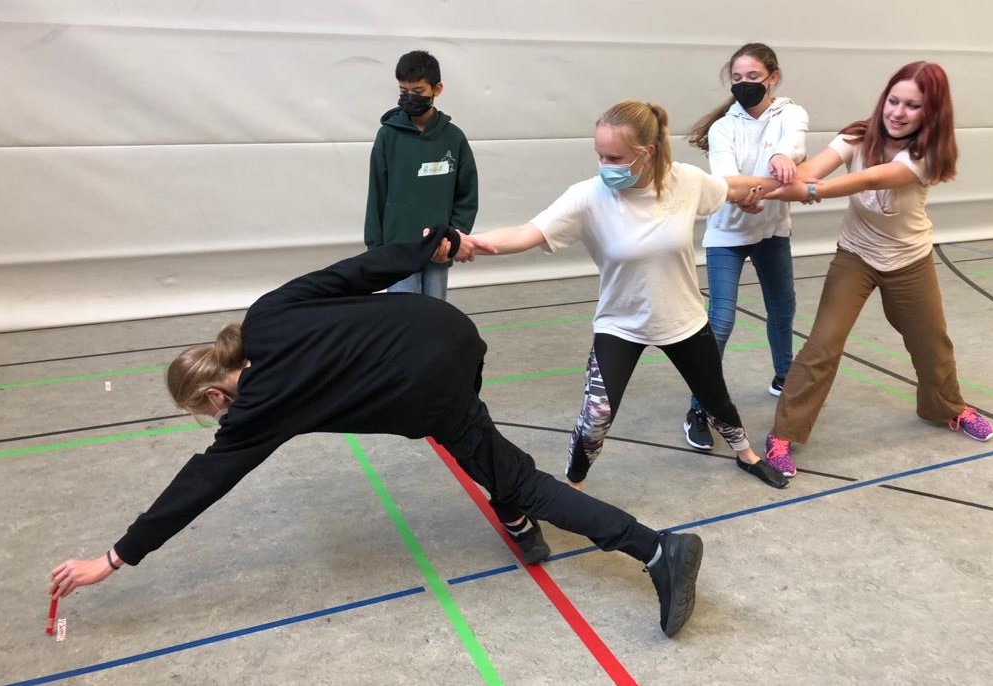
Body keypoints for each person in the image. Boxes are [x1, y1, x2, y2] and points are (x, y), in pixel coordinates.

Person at [49, 227, 704, 639]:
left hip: (427, 386)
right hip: (447, 329)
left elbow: (201, 482)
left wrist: (115, 557)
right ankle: (513, 515)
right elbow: (357, 272)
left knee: (517, 477)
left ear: (215, 395)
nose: (220, 422)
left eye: (211, 412)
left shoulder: (257, 410)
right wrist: (430, 245)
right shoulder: (266, 315)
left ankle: (657, 550)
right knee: (486, 452)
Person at [455, 100, 790, 490]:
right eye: (599, 155)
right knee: (596, 416)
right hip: (620, 323)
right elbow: (525, 233)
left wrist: (774, 188)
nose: (604, 165)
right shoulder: (587, 197)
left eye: (614, 157)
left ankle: (746, 455)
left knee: (715, 399)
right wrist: (472, 243)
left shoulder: (685, 181)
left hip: (683, 320)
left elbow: (730, 187)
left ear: (646, 153)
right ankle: (574, 486)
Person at [761, 61, 993, 478]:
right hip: (856, 255)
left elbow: (869, 180)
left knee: (931, 344)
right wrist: (778, 178)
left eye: (912, 106)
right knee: (822, 345)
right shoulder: (857, 136)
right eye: (893, 100)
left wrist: (808, 191)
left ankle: (948, 407)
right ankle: (783, 433)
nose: (898, 112)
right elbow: (812, 170)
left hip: (909, 260)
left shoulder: (926, 155)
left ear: (931, 113)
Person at [683, 43, 808, 451]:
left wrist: (781, 157)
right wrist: (756, 191)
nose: (744, 84)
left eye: (753, 77)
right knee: (719, 320)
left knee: (783, 309)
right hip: (728, 233)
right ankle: (699, 406)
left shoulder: (791, 114)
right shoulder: (724, 127)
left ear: (773, 78)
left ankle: (784, 377)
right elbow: (726, 178)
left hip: (772, 230)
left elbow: (794, 147)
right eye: (737, 78)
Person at [363, 50, 478, 299]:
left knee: (434, 312)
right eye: (403, 91)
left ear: (437, 89)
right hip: (397, 250)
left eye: (418, 91)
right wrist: (375, 247)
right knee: (403, 315)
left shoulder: (454, 138)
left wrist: (453, 237)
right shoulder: (388, 136)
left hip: (438, 249)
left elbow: (467, 195)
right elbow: (377, 193)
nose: (409, 98)